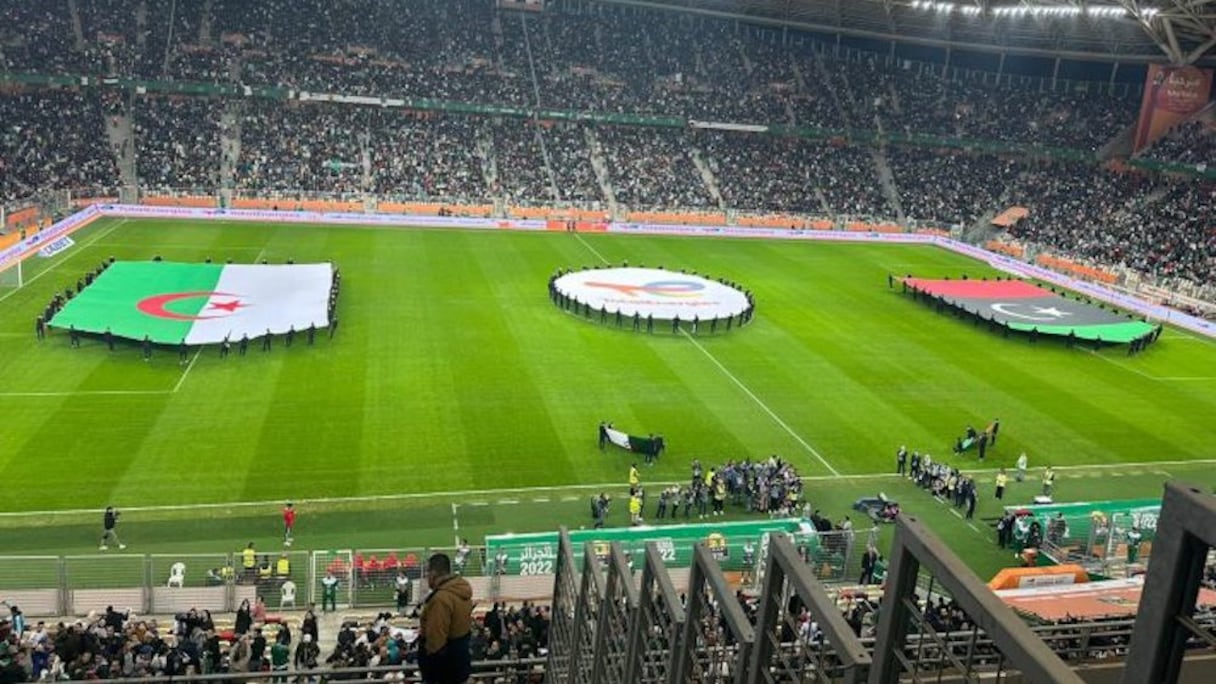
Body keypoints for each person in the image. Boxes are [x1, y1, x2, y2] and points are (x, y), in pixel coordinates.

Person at [418, 553, 473, 684]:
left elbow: (436, 641)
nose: (427, 577)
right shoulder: (461, 591)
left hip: (444, 672)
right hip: (459, 664)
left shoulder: (441, 599)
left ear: (434, 573)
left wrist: (431, 672)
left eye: (427, 573)